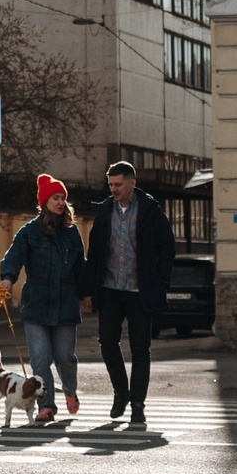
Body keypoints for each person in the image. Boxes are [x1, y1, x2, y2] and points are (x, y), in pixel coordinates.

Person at [87, 160, 174, 430]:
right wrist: (88, 290)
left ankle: (138, 405)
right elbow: (95, 254)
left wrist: (160, 282)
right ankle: (120, 393)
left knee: (140, 349)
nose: (113, 189)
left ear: (132, 183)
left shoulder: (150, 210)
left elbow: (167, 247)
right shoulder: (104, 212)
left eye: (118, 184)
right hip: (111, 289)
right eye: (110, 184)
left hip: (139, 292)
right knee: (107, 342)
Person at [0, 173, 87, 424]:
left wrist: (87, 294)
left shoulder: (72, 233)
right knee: (40, 358)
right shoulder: (28, 232)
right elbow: (14, 256)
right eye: (55, 198)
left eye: (62, 198)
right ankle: (47, 406)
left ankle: (69, 390)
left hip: (66, 303)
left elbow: (81, 266)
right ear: (44, 202)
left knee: (65, 356)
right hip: (36, 303)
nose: (60, 202)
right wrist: (7, 277)